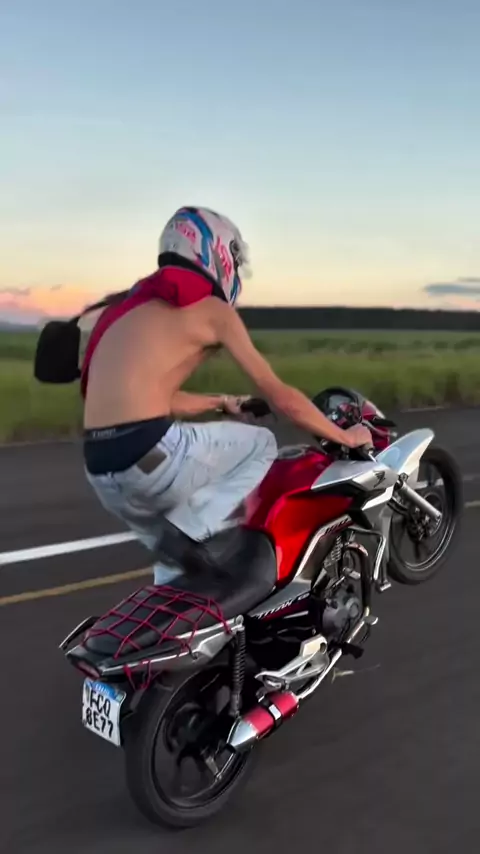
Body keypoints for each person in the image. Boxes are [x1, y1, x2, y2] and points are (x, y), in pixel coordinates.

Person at [81, 205, 372, 584]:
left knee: (179, 572)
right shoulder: (211, 309)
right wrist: (346, 437)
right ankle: (187, 532)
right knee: (260, 446)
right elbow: (282, 398)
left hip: (101, 469)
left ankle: (183, 607)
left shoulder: (128, 308)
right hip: (149, 456)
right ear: (216, 252)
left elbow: (155, 401)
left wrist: (221, 403)